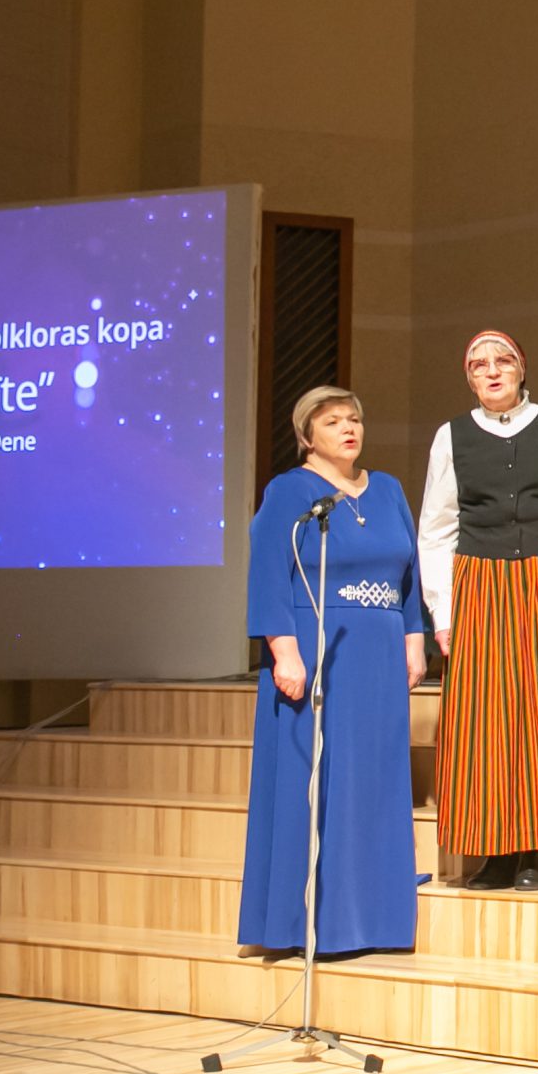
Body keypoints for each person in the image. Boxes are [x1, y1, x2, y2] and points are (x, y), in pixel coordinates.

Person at [416, 330, 538, 892]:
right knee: (486, 716)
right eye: (480, 365)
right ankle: (494, 849)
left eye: (503, 361)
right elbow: (437, 528)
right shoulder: (451, 436)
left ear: (522, 369)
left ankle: (536, 848)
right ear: (469, 378)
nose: (493, 371)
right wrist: (443, 610)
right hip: (481, 582)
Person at [239, 386, 425, 954]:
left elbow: (409, 572)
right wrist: (283, 650)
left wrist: (414, 637)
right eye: (332, 422)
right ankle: (306, 924)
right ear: (306, 436)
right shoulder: (290, 491)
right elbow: (269, 572)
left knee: (374, 779)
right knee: (317, 782)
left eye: (353, 419)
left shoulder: (387, 489)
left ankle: (375, 917)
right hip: (318, 647)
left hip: (380, 654)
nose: (348, 429)